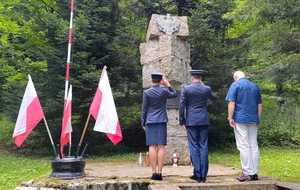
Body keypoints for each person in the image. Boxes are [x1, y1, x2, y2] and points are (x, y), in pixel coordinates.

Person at [179, 70, 215, 183]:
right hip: (203, 119)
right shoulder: (206, 89)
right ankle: (203, 175)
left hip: (191, 120)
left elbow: (182, 105)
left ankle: (197, 173)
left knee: (194, 146)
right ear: (201, 77)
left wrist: (182, 119)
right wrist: (205, 104)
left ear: (192, 77)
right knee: (203, 146)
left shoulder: (186, 89)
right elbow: (213, 99)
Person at [225, 71, 262, 182]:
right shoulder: (255, 86)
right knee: (253, 145)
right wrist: (258, 118)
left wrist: (230, 117)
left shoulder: (235, 85)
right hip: (253, 119)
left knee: (243, 145)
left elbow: (232, 102)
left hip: (240, 119)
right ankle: (254, 172)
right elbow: (259, 104)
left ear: (236, 78)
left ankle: (246, 172)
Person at [141, 72, 177, 180]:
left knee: (152, 146)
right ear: (160, 80)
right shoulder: (164, 91)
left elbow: (144, 108)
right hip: (161, 120)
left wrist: (143, 121)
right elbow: (174, 93)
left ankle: (153, 172)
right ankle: (160, 173)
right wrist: (167, 84)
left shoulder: (147, 92)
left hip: (150, 121)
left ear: (152, 80)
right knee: (161, 146)